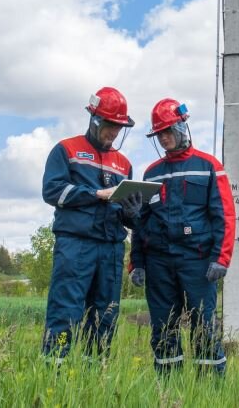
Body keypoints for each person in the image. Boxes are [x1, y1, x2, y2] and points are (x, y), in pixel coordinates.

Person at [129, 98, 236, 376]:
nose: (164, 138)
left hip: (197, 262)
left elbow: (224, 215)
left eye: (167, 132)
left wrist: (221, 258)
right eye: (159, 134)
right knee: (163, 326)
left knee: (204, 325)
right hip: (159, 263)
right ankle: (168, 387)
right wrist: (137, 262)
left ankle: (209, 390)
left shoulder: (209, 166)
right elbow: (141, 221)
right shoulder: (151, 174)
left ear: (181, 127)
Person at [40, 87, 144, 365]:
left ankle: (94, 370)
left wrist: (133, 213)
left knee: (105, 313)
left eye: (118, 128)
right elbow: (52, 191)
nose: (113, 133)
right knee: (66, 309)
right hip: (75, 245)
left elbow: (126, 214)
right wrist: (94, 194)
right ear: (94, 120)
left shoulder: (124, 165)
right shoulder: (66, 150)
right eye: (110, 126)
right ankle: (54, 367)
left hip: (110, 249)